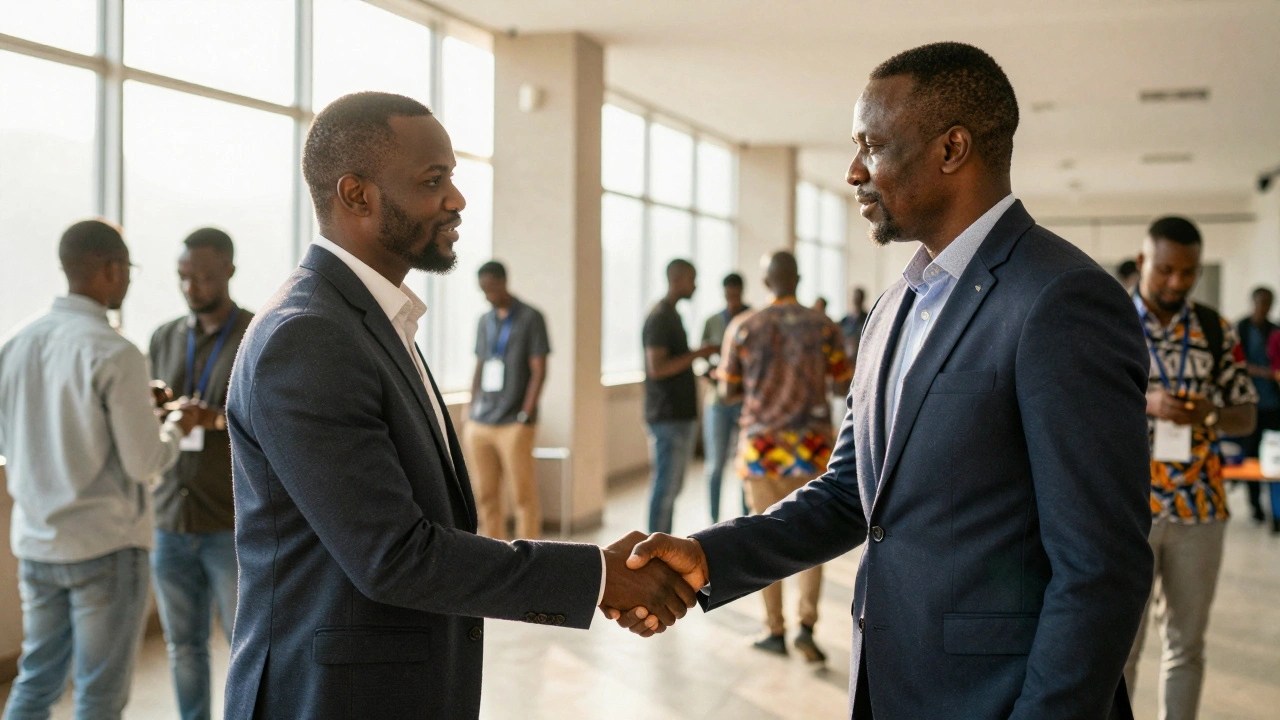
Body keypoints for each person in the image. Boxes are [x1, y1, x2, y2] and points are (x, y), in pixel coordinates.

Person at [613, 42, 1155, 720]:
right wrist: (707, 556)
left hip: (998, 699)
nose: (853, 172)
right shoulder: (897, 304)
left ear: (952, 148)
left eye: (871, 146)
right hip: (889, 685)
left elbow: (1102, 567)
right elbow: (852, 494)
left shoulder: (1061, 299)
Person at [223, 92, 695, 720]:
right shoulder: (307, 335)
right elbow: (394, 556)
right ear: (357, 195)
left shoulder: (372, 321)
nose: (457, 199)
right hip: (330, 698)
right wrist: (601, 577)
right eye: (433, 181)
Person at [0, 220, 202, 720]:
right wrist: (176, 425)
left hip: (37, 541)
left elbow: (19, 437)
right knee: (99, 695)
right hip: (105, 547)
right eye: (128, 269)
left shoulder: (16, 342)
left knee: (36, 681)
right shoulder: (116, 351)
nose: (129, 279)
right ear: (111, 269)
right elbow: (145, 461)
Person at [1123, 216, 1258, 720]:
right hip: (1126, 509)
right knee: (1120, 647)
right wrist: (1146, 402)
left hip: (1199, 509)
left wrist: (1209, 414)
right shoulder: (1109, 320)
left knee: (1186, 646)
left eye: (1189, 272)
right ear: (1143, 262)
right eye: (1165, 270)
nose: (1177, 282)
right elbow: (1074, 401)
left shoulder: (1215, 329)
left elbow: (1246, 414)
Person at [720, 251, 853, 661]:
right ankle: (806, 627)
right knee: (814, 538)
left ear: (765, 282)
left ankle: (774, 629)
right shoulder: (824, 326)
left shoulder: (745, 327)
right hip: (813, 449)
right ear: (798, 277)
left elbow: (727, 390)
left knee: (762, 538)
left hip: (763, 452)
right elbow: (843, 383)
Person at [148, 227, 252, 720]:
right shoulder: (163, 336)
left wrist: (214, 420)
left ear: (229, 271)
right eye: (183, 276)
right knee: (183, 646)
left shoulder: (257, 333)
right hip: (170, 517)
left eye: (204, 277)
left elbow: (274, 421)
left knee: (244, 642)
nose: (191, 287)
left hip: (230, 521)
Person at [465, 260, 550, 540]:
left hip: (514, 422)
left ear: (503, 282)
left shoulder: (530, 318)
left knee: (522, 496)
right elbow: (480, 365)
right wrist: (471, 408)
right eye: (482, 290)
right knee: (485, 495)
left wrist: (526, 414)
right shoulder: (484, 321)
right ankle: (495, 552)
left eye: (490, 288)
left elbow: (539, 369)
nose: (487, 295)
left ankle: (531, 552)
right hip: (481, 421)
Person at [643, 259, 717, 535]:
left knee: (672, 488)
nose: (695, 286)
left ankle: (662, 543)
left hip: (678, 415)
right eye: (692, 280)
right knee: (665, 489)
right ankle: (655, 549)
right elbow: (658, 368)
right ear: (677, 279)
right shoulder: (660, 318)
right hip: (667, 416)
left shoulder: (672, 315)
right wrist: (698, 354)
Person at [700, 272, 751, 523]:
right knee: (715, 465)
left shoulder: (752, 319)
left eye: (736, 294)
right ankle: (713, 521)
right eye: (729, 295)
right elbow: (701, 358)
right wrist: (711, 374)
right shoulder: (711, 322)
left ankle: (746, 519)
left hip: (744, 400)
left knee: (745, 463)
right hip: (717, 402)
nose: (732, 299)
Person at [1234, 286, 1279, 525]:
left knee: (1275, 456)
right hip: (1250, 403)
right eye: (1261, 302)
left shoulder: (1275, 330)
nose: (1264, 307)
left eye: (1268, 303)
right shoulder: (1241, 328)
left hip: (1273, 404)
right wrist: (1263, 372)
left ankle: (1276, 511)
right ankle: (1255, 506)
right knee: (1251, 456)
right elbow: (1237, 363)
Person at [840, 287, 869, 360]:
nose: (856, 300)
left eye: (858, 297)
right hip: (847, 357)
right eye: (855, 297)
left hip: (863, 356)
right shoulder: (845, 320)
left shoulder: (867, 319)